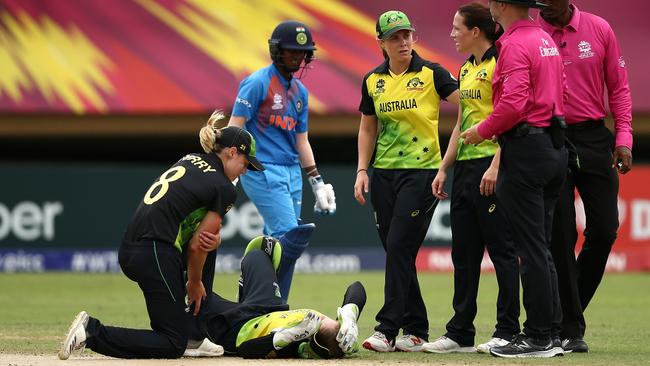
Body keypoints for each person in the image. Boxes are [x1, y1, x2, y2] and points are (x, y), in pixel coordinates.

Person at [58, 112, 264, 360]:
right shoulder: (223, 188)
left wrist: (209, 240)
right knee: (171, 343)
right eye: (245, 163)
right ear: (232, 152)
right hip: (156, 252)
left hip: (134, 248)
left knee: (212, 240)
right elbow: (198, 245)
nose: (244, 171)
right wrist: (195, 283)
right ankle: (91, 332)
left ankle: (195, 336)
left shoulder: (191, 159)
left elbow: (198, 235)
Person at [460, 0, 567, 358]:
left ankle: (536, 336)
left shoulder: (514, 44)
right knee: (542, 245)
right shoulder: (545, 39)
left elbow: (513, 104)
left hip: (527, 149)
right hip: (554, 144)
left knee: (530, 247)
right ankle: (551, 332)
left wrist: (481, 130)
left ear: (502, 6)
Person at [354, 10, 460, 353]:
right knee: (397, 251)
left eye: (407, 35)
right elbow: (368, 127)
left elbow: (470, 106)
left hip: (423, 173)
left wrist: (450, 159)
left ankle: (386, 329)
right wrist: (361, 170)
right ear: (382, 43)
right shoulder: (373, 80)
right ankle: (416, 330)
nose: (403, 42)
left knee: (399, 246)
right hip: (383, 175)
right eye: (395, 37)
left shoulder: (433, 73)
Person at [422, 2, 520, 355]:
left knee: (502, 253)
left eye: (456, 28)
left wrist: (496, 165)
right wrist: (444, 168)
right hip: (464, 170)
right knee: (463, 255)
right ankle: (460, 332)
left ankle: (508, 330)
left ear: (475, 31)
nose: (451, 34)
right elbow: (461, 124)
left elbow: (511, 120)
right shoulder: (465, 70)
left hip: (493, 169)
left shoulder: (501, 62)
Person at [537, 0, 633, 353]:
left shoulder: (599, 29)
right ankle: (571, 329)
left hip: (594, 137)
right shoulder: (531, 33)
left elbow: (619, 89)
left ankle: (562, 314)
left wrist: (624, 139)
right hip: (549, 137)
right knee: (559, 236)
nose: (543, 5)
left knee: (605, 229)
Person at [228, 20, 336, 303]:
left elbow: (302, 141)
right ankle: (275, 305)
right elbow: (234, 128)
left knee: (271, 245)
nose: (298, 57)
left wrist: (317, 183)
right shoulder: (256, 83)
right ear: (277, 51)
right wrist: (228, 170)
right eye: (291, 51)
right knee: (290, 236)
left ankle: (256, 305)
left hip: (291, 172)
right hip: (260, 167)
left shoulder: (300, 93)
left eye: (302, 53)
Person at [188, 237, 367, 359]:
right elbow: (357, 288)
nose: (323, 320)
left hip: (233, 326)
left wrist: (286, 336)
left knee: (190, 290)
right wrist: (349, 316)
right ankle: (243, 297)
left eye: (326, 325)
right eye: (331, 323)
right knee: (261, 251)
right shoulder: (343, 335)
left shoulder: (296, 340)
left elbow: (245, 349)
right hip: (267, 306)